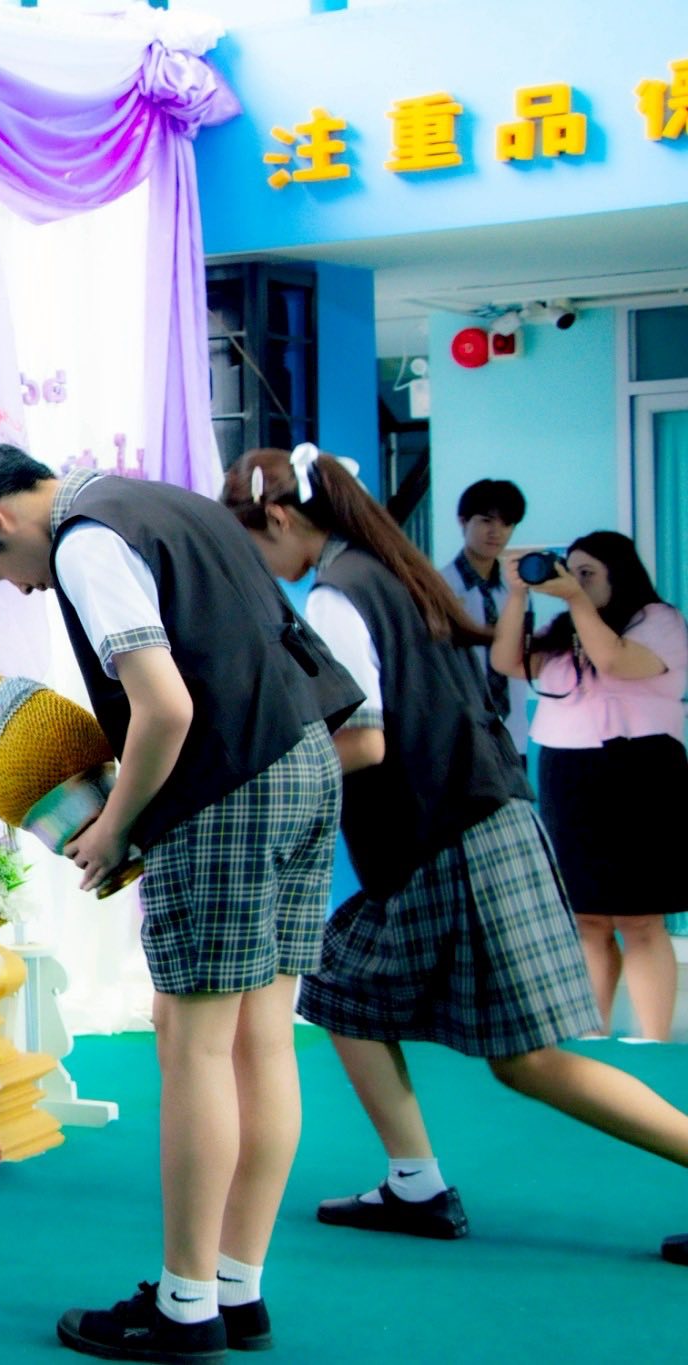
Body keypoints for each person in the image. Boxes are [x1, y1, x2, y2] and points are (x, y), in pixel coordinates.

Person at [0, 445, 361, 1362]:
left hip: (226, 788)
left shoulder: (86, 542)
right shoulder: (169, 502)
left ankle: (186, 1303)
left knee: (194, 1043)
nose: (26, 588)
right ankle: (237, 1285)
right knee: (263, 1042)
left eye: (2, 574)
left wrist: (116, 825)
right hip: (306, 766)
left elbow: (164, 707)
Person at [223, 446, 688, 1272]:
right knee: (342, 988)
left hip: (451, 831)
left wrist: (254, 782)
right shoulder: (392, 573)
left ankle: (418, 1185)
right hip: (475, 820)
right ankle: (415, 1184)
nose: (259, 563)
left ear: (282, 518)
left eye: (252, 541)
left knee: (529, 1061)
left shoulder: (339, 592)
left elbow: (365, 739)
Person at [490, 531, 688, 1041]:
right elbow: (506, 661)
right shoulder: (563, 630)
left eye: (587, 574)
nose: (574, 582)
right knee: (586, 915)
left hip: (640, 771)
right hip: (568, 772)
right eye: (569, 571)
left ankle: (652, 1039)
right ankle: (590, 1036)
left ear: (618, 574)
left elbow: (615, 660)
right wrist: (517, 596)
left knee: (639, 916)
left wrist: (576, 601)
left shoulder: (659, 621)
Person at [438, 479, 530, 752]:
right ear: (463, 521)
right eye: (486, 521)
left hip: (513, 731)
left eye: (506, 524)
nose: (496, 532)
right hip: (460, 728)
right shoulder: (438, 587)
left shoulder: (517, 589)